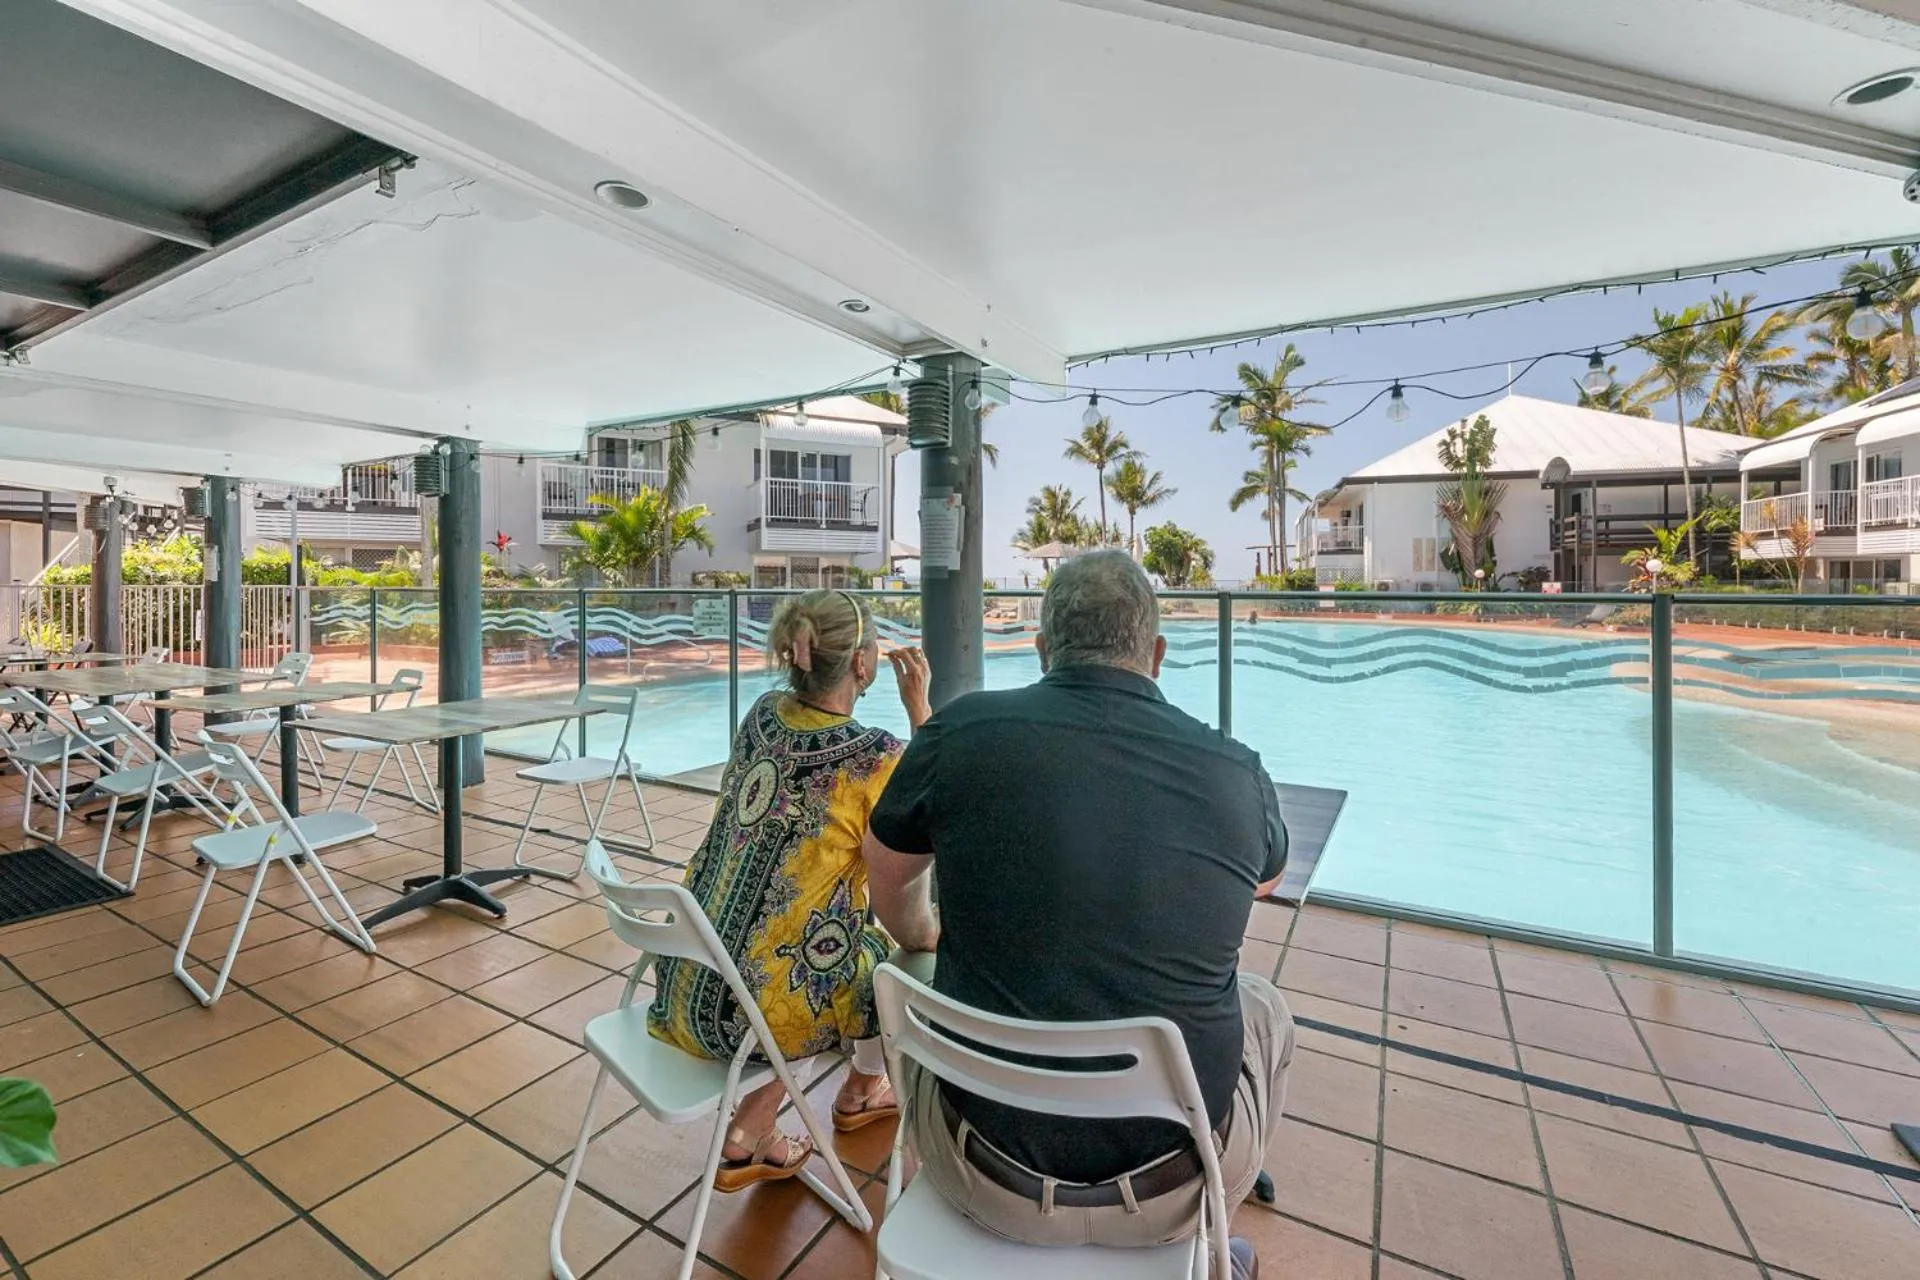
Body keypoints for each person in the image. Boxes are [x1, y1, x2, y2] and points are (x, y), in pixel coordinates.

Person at [863, 550, 1291, 1278]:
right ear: (1155, 655)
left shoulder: (958, 733)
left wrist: (921, 935)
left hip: (979, 1173)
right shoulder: (1233, 770)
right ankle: (1215, 1233)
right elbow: (1265, 881)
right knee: (1263, 1004)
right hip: (1174, 1187)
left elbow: (888, 881)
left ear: (1039, 650)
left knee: (912, 967)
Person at [648, 589, 932, 1189]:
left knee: (796, 939)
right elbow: (937, 812)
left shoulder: (762, 715)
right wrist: (921, 714)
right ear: (861, 664)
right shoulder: (876, 758)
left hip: (683, 980)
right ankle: (850, 1094)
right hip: (746, 1015)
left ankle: (799, 1114)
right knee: (888, 961)